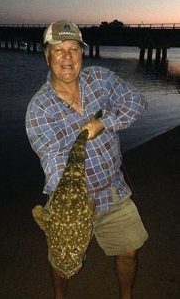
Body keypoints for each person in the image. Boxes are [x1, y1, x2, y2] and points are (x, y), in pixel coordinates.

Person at [25, 20, 149, 299]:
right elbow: (54, 160)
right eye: (59, 50)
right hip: (68, 197)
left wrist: (105, 124)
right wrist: (69, 208)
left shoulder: (100, 80)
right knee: (61, 262)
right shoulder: (38, 110)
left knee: (129, 250)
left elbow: (137, 101)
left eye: (73, 49)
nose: (67, 57)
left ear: (82, 53)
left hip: (112, 187)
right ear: (47, 55)